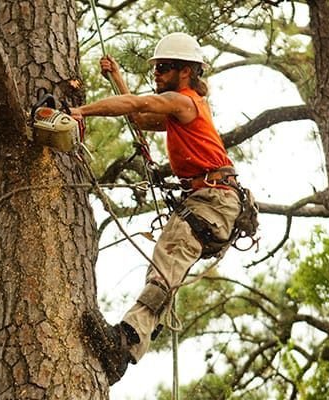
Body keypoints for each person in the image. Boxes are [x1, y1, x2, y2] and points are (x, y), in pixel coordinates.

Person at [69, 32, 244, 385]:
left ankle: (126, 342)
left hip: (213, 199)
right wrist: (117, 79)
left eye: (164, 68)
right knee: (165, 263)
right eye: (157, 68)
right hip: (208, 200)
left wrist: (80, 111)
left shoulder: (185, 101)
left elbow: (136, 105)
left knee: (165, 265)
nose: (157, 73)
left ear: (186, 72)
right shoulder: (179, 107)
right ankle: (139, 333)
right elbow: (140, 116)